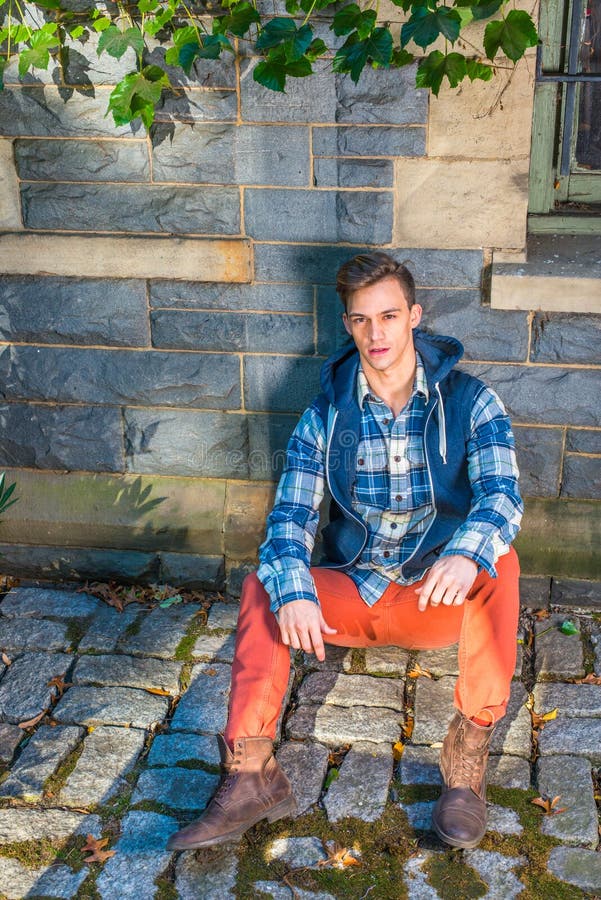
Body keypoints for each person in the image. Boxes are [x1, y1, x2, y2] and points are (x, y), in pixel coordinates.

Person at [167, 251, 523, 853]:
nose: (376, 333)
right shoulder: (326, 414)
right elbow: (291, 516)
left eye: (388, 315)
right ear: (349, 325)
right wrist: (296, 589)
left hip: (434, 593)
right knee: (265, 583)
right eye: (361, 320)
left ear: (414, 315)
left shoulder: (470, 400)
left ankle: (466, 764)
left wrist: (464, 553)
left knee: (500, 563)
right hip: (352, 596)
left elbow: (502, 496)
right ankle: (252, 775)